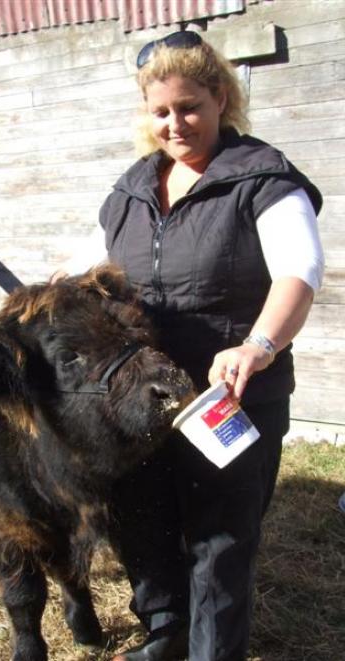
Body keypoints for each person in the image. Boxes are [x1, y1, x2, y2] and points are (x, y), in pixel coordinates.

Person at [59, 30, 324, 661]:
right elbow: (82, 271)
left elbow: (299, 272)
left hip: (229, 397)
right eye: (160, 112)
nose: (175, 124)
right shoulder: (131, 190)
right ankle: (167, 631)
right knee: (141, 519)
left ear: (221, 97)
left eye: (190, 107)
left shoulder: (262, 179)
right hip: (140, 399)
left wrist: (257, 346)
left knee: (220, 538)